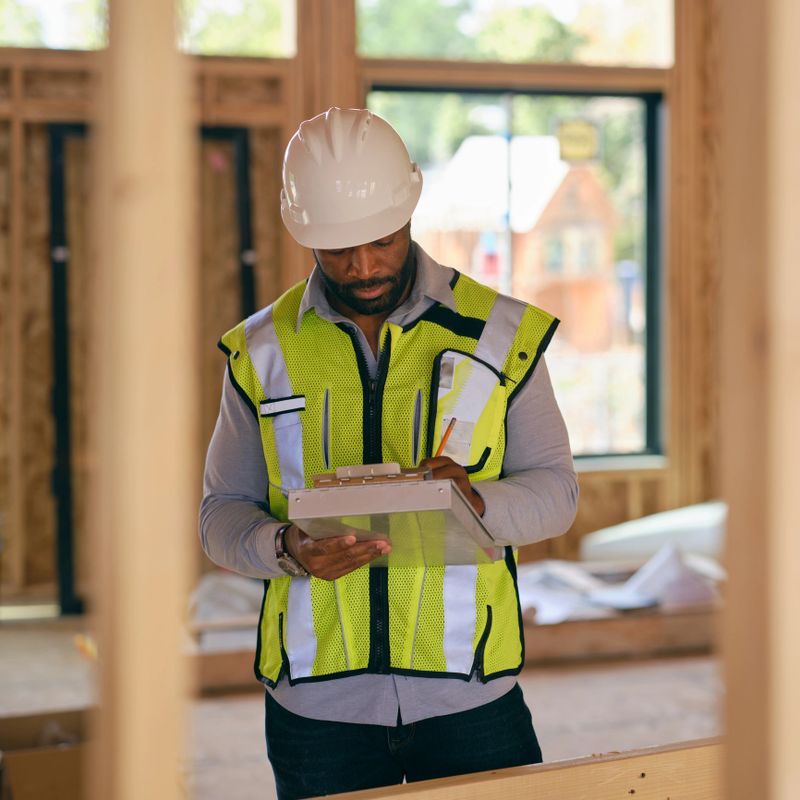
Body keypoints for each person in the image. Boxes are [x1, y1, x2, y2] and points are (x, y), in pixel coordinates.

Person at [199, 106, 578, 800]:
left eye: (381, 240)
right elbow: (220, 515)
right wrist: (286, 547)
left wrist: (476, 502)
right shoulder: (260, 352)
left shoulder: (499, 334)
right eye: (338, 248)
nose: (364, 265)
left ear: (410, 210)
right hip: (318, 710)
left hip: (471, 697)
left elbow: (556, 492)